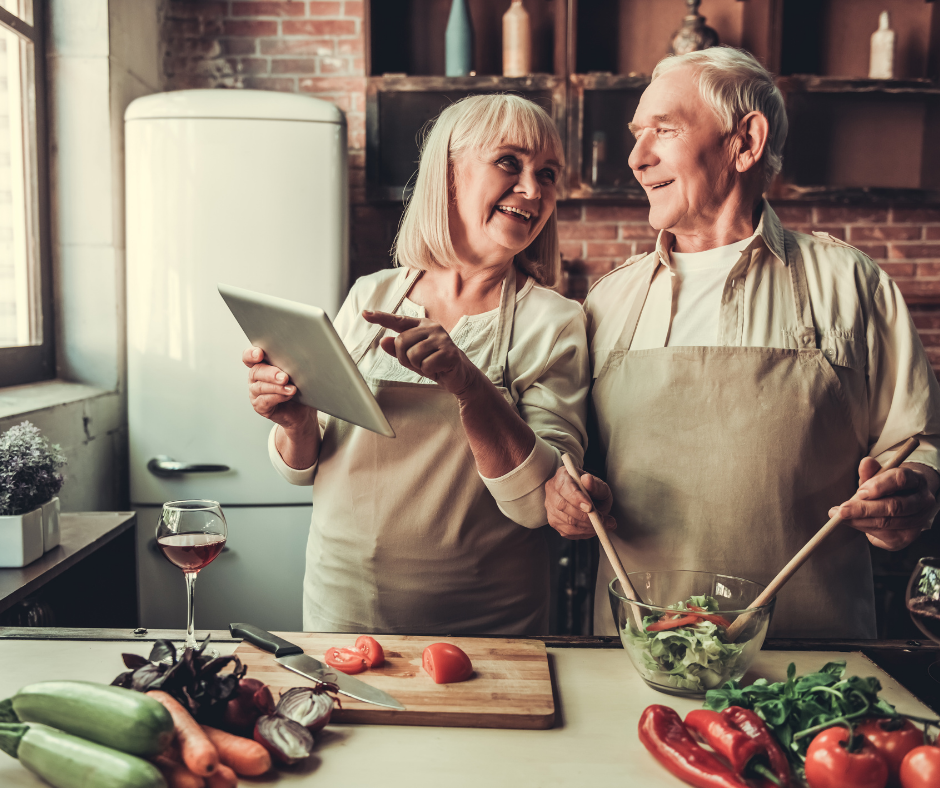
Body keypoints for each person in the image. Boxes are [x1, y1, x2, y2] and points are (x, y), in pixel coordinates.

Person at [544, 47, 940, 639]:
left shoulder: (853, 284)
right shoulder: (607, 302)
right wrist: (564, 495)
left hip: (816, 660)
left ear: (745, 141)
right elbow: (568, 458)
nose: (636, 157)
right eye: (636, 134)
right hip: (638, 659)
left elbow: (920, 443)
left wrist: (912, 495)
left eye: (664, 130)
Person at [244, 94, 589, 635]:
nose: (533, 189)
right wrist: (295, 420)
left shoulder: (554, 321)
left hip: (484, 624)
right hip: (340, 604)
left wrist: (469, 385)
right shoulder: (371, 294)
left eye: (547, 174)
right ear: (449, 173)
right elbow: (305, 466)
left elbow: (539, 503)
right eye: (509, 163)